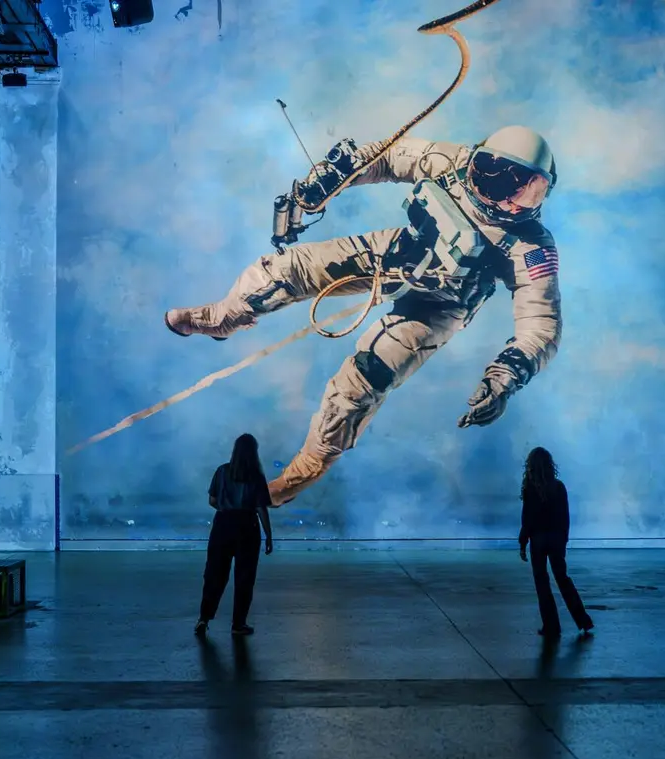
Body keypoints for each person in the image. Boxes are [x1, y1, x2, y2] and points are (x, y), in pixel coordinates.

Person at [165, 126, 563, 506]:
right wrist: (335, 175)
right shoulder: (450, 162)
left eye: (531, 191)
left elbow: (540, 324)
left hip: (440, 305)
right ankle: (224, 317)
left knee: (358, 386)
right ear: (481, 167)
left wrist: (504, 379)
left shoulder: (530, 246)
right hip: (398, 253)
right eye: (501, 185)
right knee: (287, 270)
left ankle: (296, 477)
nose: (511, 202)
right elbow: (386, 158)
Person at [196, 433, 274, 638]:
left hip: (223, 524)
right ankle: (238, 624)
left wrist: (225, 506)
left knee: (214, 573)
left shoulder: (222, 471)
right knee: (244, 577)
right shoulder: (256, 475)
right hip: (247, 526)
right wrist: (269, 536)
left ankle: (204, 618)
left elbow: (212, 500)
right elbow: (261, 509)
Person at [518, 447, 593, 638]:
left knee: (542, 583)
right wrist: (563, 540)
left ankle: (551, 626)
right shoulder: (558, 487)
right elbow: (564, 517)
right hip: (556, 539)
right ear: (550, 465)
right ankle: (583, 620)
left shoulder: (530, 488)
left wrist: (523, 542)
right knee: (563, 579)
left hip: (538, 540)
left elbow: (527, 519)